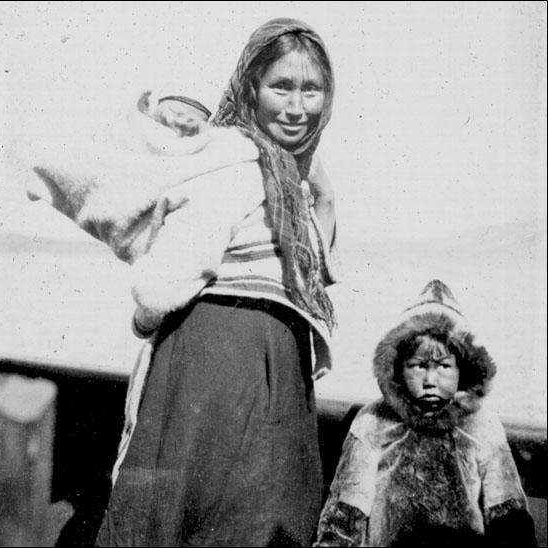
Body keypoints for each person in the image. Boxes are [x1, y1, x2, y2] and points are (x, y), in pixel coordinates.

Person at [96, 18, 340, 547]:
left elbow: (307, 269)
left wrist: (324, 196)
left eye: (311, 89)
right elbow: (162, 283)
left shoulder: (281, 176)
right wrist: (145, 319)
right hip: (220, 371)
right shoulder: (233, 160)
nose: (297, 107)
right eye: (281, 87)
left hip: (259, 374)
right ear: (251, 88)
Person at [314, 280, 537, 547]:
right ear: (398, 367)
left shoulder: (481, 424)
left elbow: (508, 513)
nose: (430, 379)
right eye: (419, 366)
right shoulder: (373, 421)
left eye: (443, 365)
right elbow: (346, 513)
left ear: (463, 368)